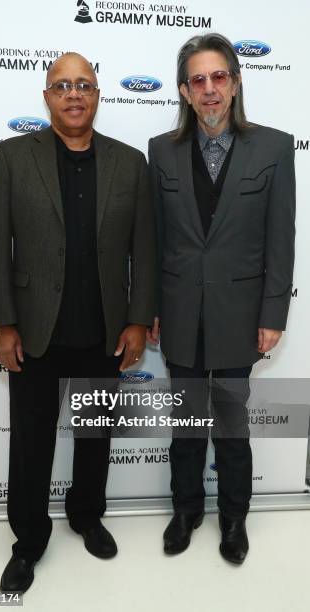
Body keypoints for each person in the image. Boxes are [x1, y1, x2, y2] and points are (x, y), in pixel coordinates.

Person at [0, 52, 155, 593]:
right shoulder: (12, 157)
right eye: (62, 85)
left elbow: (143, 251)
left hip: (104, 331)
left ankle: (85, 515)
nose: (74, 93)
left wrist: (137, 320)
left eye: (84, 84)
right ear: (47, 97)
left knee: (95, 435)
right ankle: (28, 541)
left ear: (98, 95)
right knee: (30, 443)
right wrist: (4, 323)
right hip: (34, 332)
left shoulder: (130, 163)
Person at [148, 33, 295, 564]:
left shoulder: (275, 147)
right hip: (181, 314)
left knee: (231, 427)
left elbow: (282, 238)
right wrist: (151, 310)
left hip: (239, 318)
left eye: (219, 77)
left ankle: (234, 518)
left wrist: (273, 313)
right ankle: (185, 509)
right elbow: (156, 241)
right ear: (185, 91)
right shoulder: (161, 151)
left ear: (235, 83)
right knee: (186, 425)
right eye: (197, 80)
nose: (209, 89)